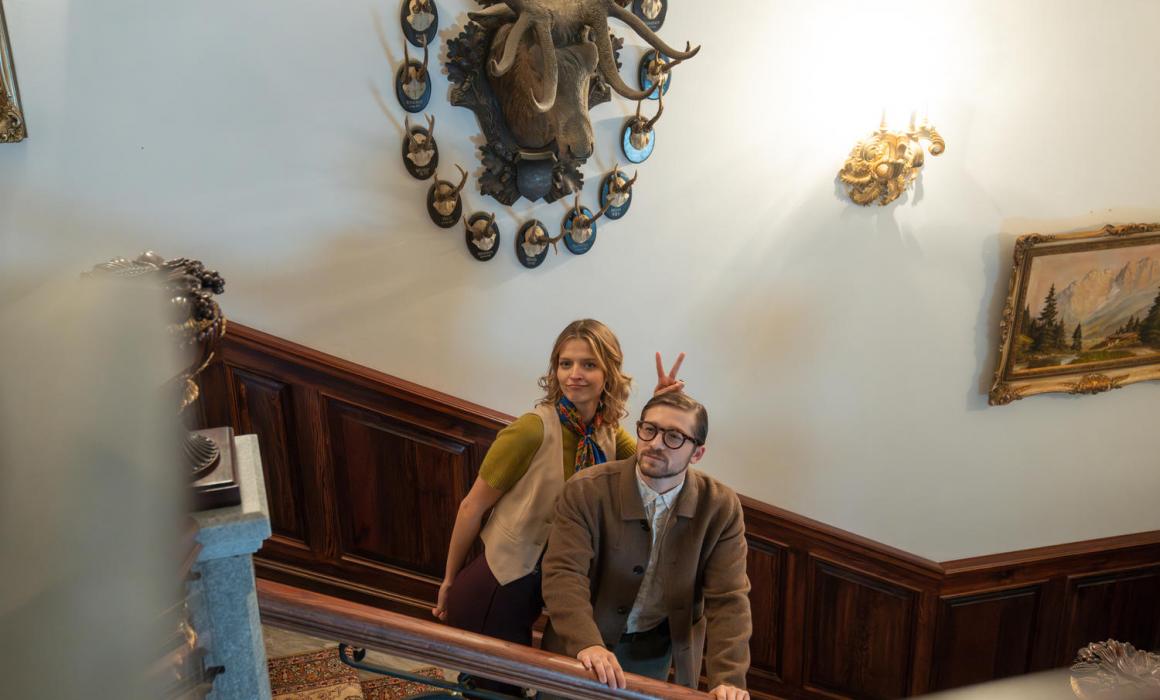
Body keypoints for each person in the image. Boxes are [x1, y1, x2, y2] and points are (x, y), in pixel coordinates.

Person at [431, 320, 685, 665]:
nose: (574, 374)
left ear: (609, 374)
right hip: (497, 587)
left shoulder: (608, 436)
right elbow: (470, 507)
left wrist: (662, 408)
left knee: (506, 683)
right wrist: (448, 580)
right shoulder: (531, 429)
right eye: (566, 363)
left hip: (539, 593)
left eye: (588, 364)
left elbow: (652, 463)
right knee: (498, 686)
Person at [541, 391, 751, 700]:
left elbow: (729, 598)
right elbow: (563, 573)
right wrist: (587, 643)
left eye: (674, 436)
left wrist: (729, 678)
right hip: (581, 641)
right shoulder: (586, 489)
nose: (655, 443)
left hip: (652, 651)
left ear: (697, 454)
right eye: (649, 429)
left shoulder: (720, 507)